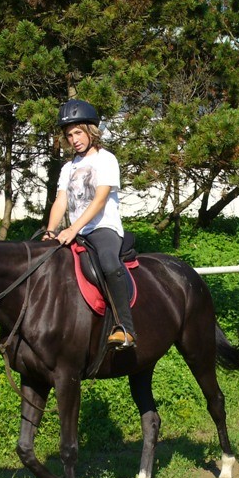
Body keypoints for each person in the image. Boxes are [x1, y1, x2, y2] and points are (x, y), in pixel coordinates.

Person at [44, 99, 136, 348]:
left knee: (107, 262)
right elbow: (61, 200)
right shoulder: (68, 168)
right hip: (77, 232)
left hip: (103, 228)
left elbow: (100, 199)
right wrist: (51, 231)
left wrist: (73, 228)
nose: (74, 139)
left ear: (90, 131)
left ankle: (125, 327)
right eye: (69, 135)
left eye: (78, 132)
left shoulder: (106, 160)